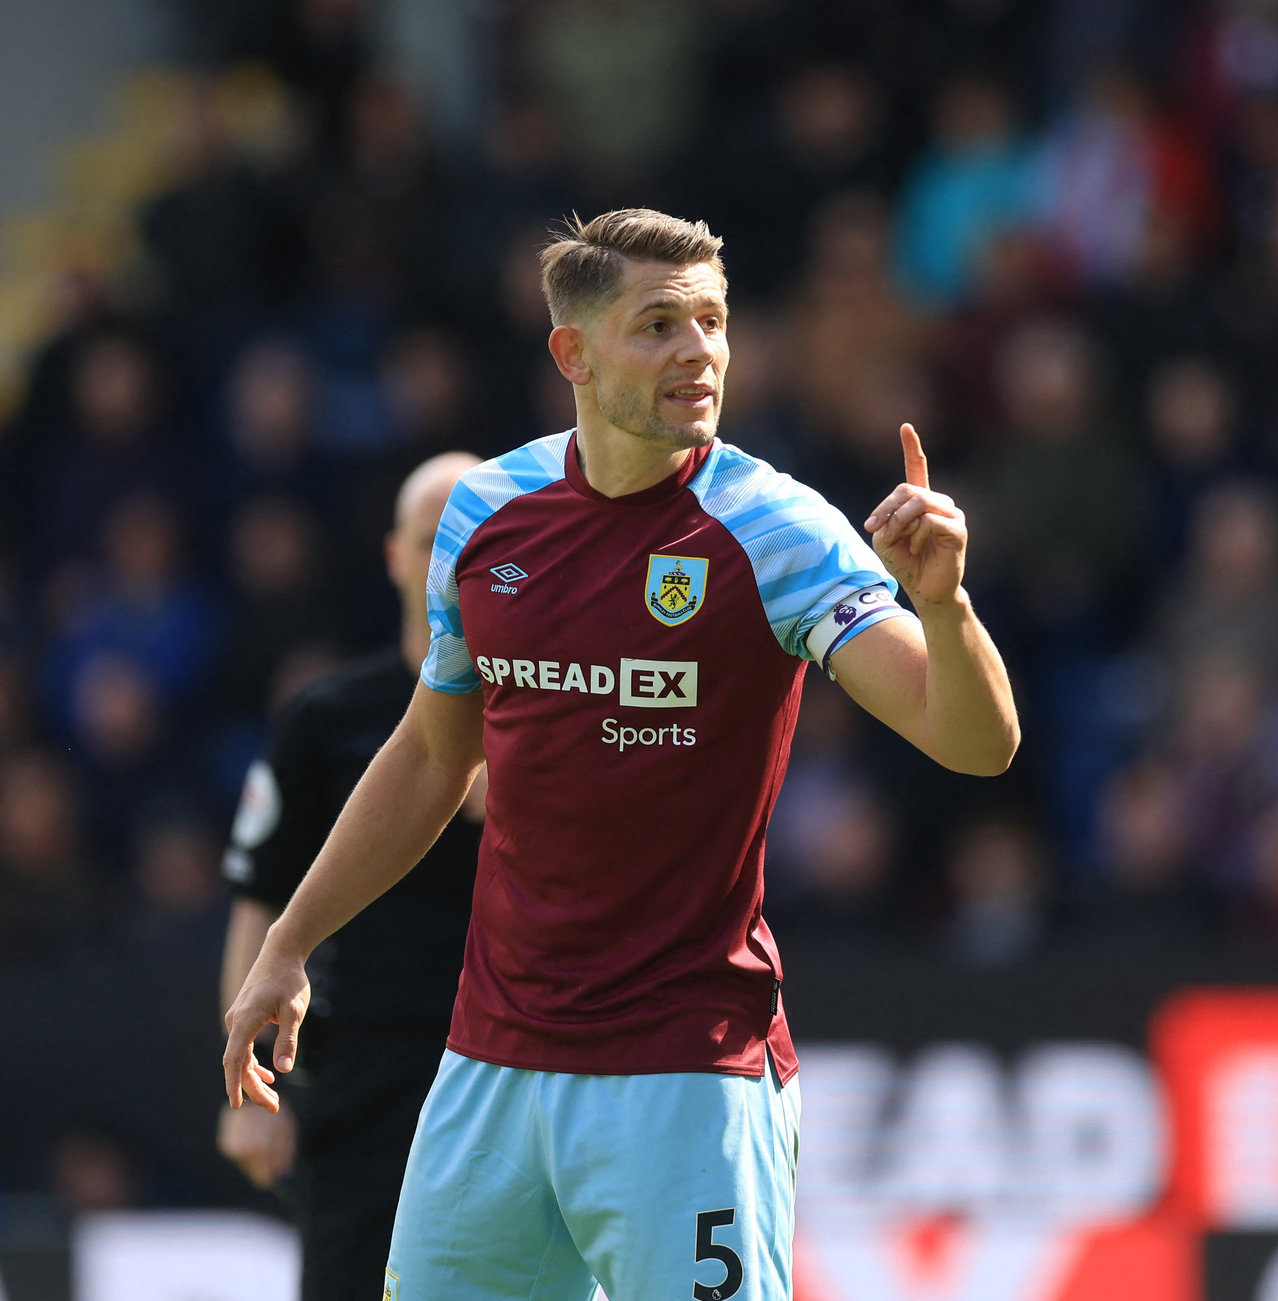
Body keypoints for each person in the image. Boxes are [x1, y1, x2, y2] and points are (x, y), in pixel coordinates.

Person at [222, 209, 1019, 1301]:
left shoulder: (776, 529)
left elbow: (973, 741)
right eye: (658, 324)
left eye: (712, 321)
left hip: (688, 1072)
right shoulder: (486, 515)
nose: (698, 351)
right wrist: (290, 942)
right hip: (492, 1064)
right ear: (573, 354)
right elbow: (425, 753)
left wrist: (945, 608)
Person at [216, 451, 483, 1301]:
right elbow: (261, 898)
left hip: (512, 1057)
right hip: (362, 1066)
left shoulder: (561, 707)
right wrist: (250, 1092)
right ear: (395, 557)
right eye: (429, 535)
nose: (449, 553)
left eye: (470, 534)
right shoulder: (327, 719)